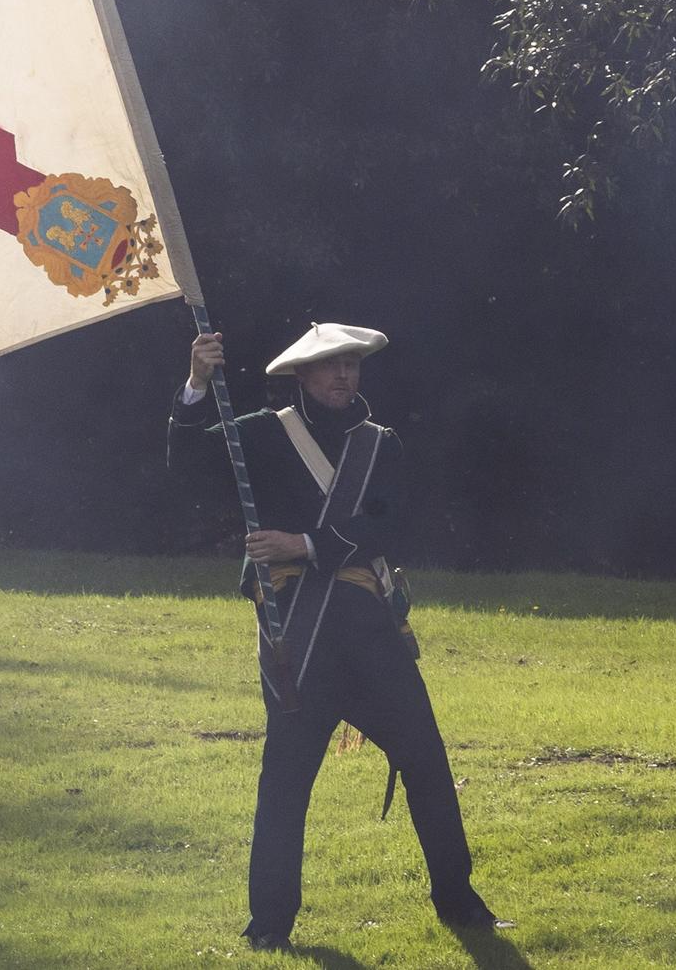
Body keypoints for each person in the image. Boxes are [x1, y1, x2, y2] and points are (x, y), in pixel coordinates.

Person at [168, 322, 499, 950]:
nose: (343, 377)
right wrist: (197, 382)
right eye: (329, 367)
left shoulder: (381, 446)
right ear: (302, 376)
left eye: (351, 365)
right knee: (285, 781)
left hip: (371, 636)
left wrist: (305, 543)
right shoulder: (263, 435)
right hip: (299, 637)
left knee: (426, 761)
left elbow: (391, 523)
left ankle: (460, 903)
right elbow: (184, 467)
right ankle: (269, 925)